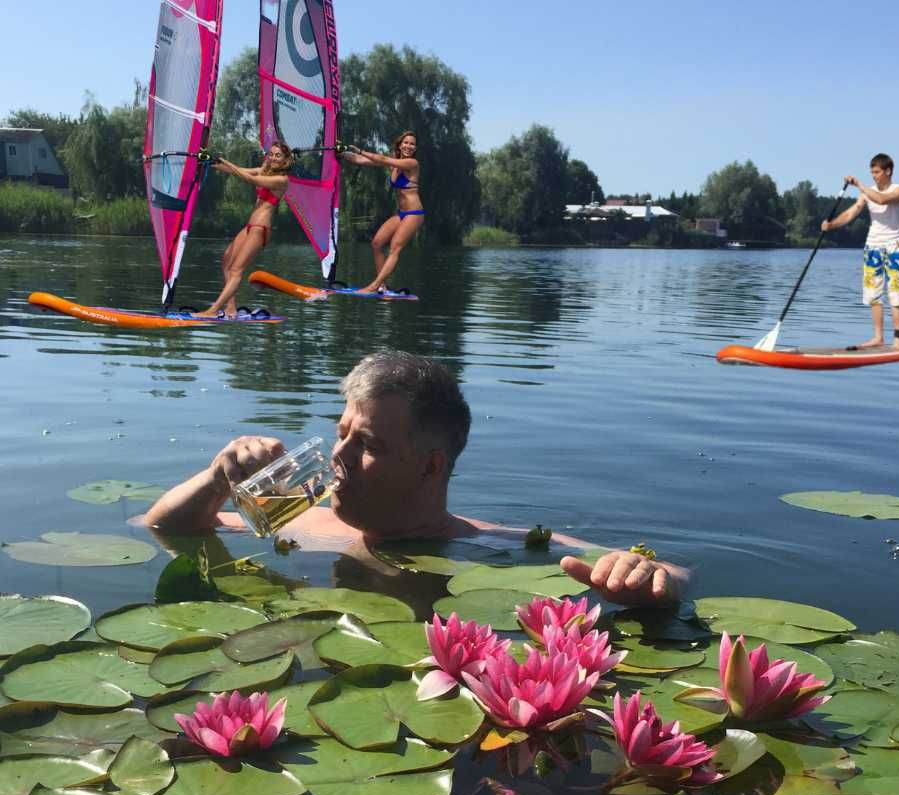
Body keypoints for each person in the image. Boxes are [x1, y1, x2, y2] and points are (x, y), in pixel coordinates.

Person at [145, 350, 688, 609]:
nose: (339, 455)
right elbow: (164, 527)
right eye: (341, 434)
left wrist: (639, 572)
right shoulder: (305, 520)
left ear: (431, 466)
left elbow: (675, 575)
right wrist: (219, 478)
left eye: (369, 445)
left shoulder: (488, 543)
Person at [195, 142, 293, 319]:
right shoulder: (265, 171)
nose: (273, 158)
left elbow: (250, 179)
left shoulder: (282, 180)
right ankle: (231, 308)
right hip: (250, 226)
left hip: (260, 228)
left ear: (286, 160)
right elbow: (237, 170)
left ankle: (212, 310)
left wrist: (225, 160)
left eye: (278, 155)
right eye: (271, 154)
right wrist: (211, 161)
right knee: (226, 261)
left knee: (236, 270)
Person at [821, 153, 899, 350]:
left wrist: (860, 185)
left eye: (877, 172)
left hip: (894, 246)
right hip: (872, 247)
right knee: (873, 294)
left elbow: (882, 199)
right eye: (872, 172)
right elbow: (851, 213)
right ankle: (878, 338)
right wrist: (831, 225)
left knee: (896, 293)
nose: (874, 176)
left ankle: (898, 340)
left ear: (888, 171)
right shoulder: (866, 193)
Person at [339, 131, 424, 294]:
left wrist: (361, 150)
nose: (408, 146)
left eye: (412, 144)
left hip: (414, 213)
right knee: (377, 243)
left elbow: (381, 159)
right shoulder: (395, 162)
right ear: (400, 145)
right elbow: (360, 160)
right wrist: (342, 152)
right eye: (406, 143)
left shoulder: (412, 163)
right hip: (401, 214)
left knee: (394, 248)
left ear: (415, 148)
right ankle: (382, 285)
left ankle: (374, 285)